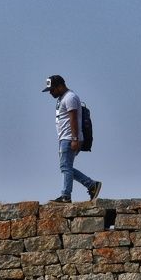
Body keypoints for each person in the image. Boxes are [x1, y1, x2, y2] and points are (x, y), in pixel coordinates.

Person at [43, 75, 101, 203]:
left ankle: (66, 195)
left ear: (60, 86)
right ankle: (91, 185)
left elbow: (74, 118)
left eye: (52, 89)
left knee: (65, 167)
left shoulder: (70, 97)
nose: (51, 93)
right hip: (65, 137)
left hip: (69, 137)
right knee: (66, 167)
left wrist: (75, 139)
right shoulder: (62, 98)